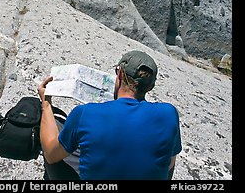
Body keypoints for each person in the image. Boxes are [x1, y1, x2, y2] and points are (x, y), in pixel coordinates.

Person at [38, 50, 182, 180]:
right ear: (150, 86)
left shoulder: (85, 113)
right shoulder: (169, 114)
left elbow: (51, 155)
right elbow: (169, 164)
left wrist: (46, 104)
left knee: (53, 130)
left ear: (119, 74)